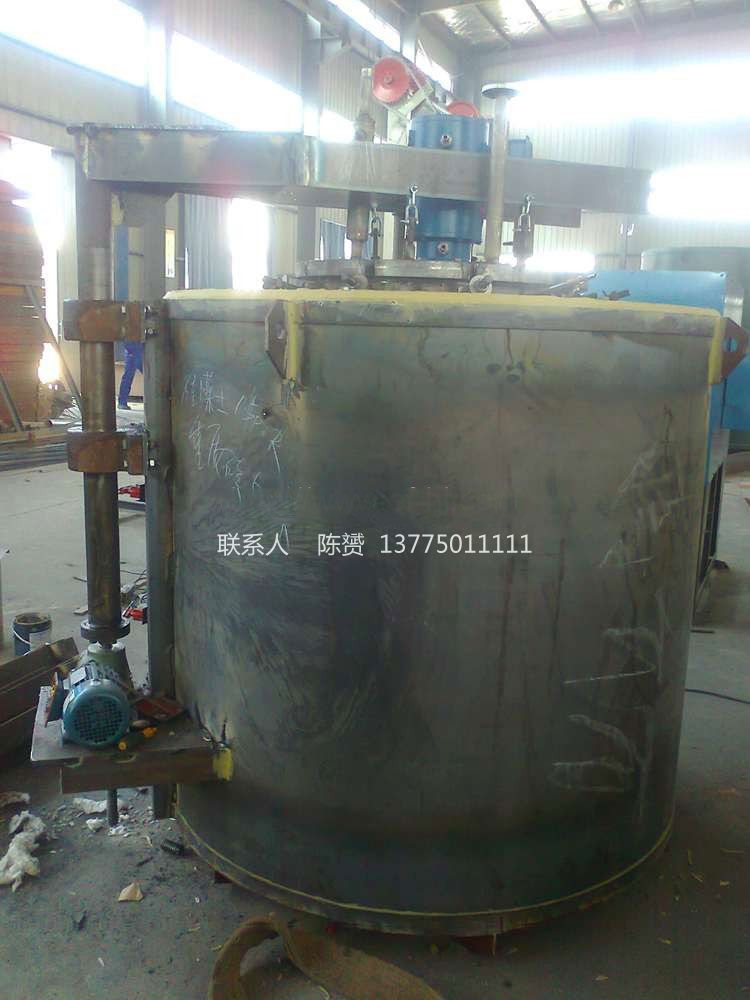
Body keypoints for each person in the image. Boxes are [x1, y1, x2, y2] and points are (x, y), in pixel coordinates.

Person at [118, 341, 144, 410]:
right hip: (138, 346)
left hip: (129, 347)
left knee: (127, 376)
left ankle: (122, 402)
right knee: (149, 375)